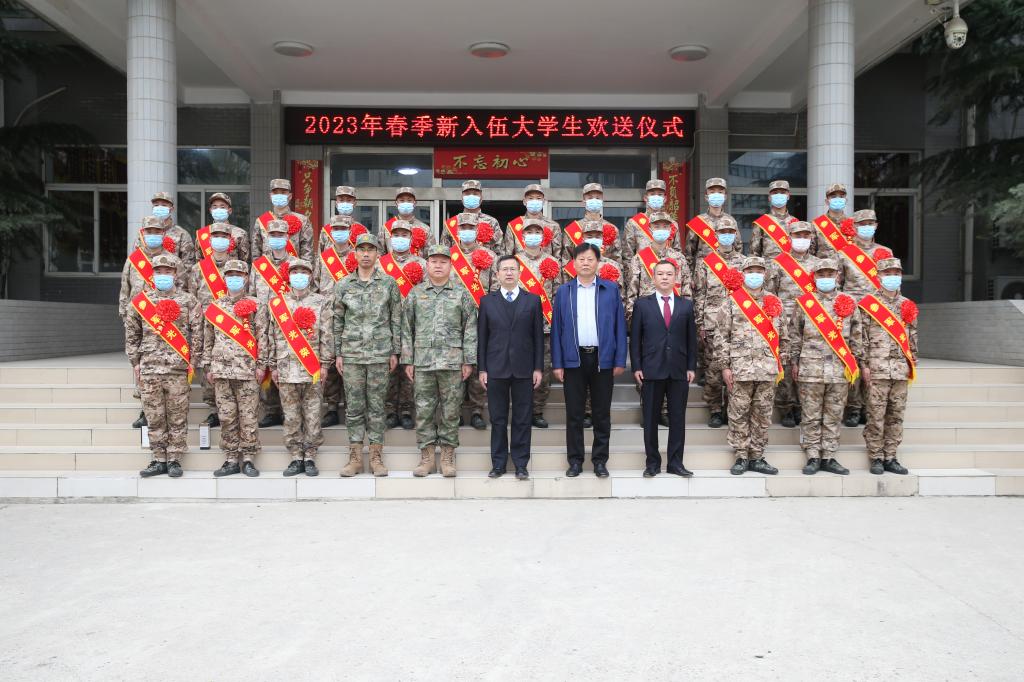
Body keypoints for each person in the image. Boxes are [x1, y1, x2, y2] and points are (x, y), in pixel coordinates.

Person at [551, 243, 627, 478]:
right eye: (581, 259)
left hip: (602, 359)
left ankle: (600, 461)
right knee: (574, 414)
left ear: (598, 263)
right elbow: (557, 329)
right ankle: (575, 461)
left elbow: (619, 326)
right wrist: (558, 363)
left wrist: (619, 359)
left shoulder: (610, 290)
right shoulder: (564, 291)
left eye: (590, 259)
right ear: (573, 263)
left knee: (601, 413)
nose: (585, 263)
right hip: (573, 359)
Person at [401, 245, 478, 477]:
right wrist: (408, 360)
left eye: (443, 262)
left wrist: (468, 360)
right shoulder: (415, 294)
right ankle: (426, 458)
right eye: (433, 261)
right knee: (423, 410)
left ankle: (447, 457)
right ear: (427, 265)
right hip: (423, 362)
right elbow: (406, 328)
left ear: (450, 265)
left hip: (452, 363)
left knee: (451, 411)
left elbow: (470, 329)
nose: (438, 265)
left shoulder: (461, 294)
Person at [125, 253, 201, 478]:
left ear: (175, 274)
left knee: (178, 416)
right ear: (152, 274)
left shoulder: (188, 301)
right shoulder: (141, 302)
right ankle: (159, 459)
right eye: (159, 272)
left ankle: (175, 459)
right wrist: (135, 362)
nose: (163, 275)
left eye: (168, 271)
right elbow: (132, 334)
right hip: (149, 368)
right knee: (154, 416)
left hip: (178, 369)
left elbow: (197, 334)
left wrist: (193, 362)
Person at [332, 233, 402, 477]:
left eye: (370, 249)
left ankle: (375, 457)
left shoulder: (389, 284)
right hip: (352, 355)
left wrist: (395, 350)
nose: (365, 254)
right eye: (361, 249)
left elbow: (396, 318)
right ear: (355, 254)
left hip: (379, 354)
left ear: (377, 254)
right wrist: (338, 353)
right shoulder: (343, 285)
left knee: (377, 407)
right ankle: (354, 458)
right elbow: (337, 320)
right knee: (353, 407)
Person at [715, 256, 790, 476]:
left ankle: (757, 456)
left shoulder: (774, 301)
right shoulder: (731, 302)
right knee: (738, 413)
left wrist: (781, 363)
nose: (754, 275)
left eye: (759, 271)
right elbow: (721, 336)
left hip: (767, 369)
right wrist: (725, 367)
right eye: (750, 271)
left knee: (762, 415)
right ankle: (741, 455)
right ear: (743, 273)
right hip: (740, 368)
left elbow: (784, 337)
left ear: (765, 274)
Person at [263, 258, 334, 477]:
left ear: (311, 276)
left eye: (304, 271)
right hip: (285, 368)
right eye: (295, 271)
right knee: (291, 415)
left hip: (312, 369)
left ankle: (310, 455)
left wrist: (325, 364)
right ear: (289, 275)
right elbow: (271, 336)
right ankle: (296, 456)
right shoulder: (277, 303)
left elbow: (326, 335)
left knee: (313, 413)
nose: (299, 275)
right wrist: (273, 366)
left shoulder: (320, 302)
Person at [789, 259, 859, 476]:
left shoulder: (848, 302)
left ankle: (828, 456)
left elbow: (856, 336)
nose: (826, 278)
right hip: (810, 369)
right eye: (821, 274)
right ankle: (812, 456)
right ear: (814, 277)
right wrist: (794, 362)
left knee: (834, 415)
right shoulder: (804, 303)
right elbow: (794, 335)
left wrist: (855, 363)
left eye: (830, 274)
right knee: (810, 415)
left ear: (838, 276)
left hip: (839, 370)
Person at [478, 255, 545, 480]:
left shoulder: (532, 301)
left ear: (519, 273)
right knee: (497, 419)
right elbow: (482, 338)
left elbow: (538, 338)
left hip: (524, 369)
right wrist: (482, 369)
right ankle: (498, 464)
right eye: (504, 269)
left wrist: (538, 368)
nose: (508, 273)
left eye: (513, 269)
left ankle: (520, 464)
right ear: (497, 274)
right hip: (495, 369)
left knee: (522, 419)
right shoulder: (487, 302)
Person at [119, 214, 189, 428]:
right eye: (149, 231)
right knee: (143, 364)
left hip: (170, 323)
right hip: (141, 320)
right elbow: (125, 290)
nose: (153, 235)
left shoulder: (174, 261)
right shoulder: (133, 260)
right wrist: (125, 314)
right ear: (143, 233)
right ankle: (145, 410)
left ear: (163, 234)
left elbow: (184, 290)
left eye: (157, 232)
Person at [629, 259, 697, 478]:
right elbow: (635, 339)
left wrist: (691, 366)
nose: (665, 277)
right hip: (651, 368)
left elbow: (691, 339)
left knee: (677, 418)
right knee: (650, 419)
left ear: (676, 277)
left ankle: (675, 463)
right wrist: (636, 366)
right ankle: (652, 463)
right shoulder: (642, 305)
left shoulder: (686, 305)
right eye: (660, 274)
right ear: (654, 277)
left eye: (669, 274)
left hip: (679, 369)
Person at [200, 259, 265, 477]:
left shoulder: (257, 305)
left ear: (246, 278)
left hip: (247, 370)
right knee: (227, 416)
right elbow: (208, 339)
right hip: (221, 370)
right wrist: (208, 366)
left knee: (249, 416)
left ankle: (248, 458)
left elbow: (263, 337)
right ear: (224, 278)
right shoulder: (215, 306)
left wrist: (261, 365)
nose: (234, 278)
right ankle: (230, 459)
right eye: (230, 275)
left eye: (239, 275)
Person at [855, 257, 918, 476]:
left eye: (896, 273)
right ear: (879, 276)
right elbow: (861, 337)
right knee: (875, 414)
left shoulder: (907, 304)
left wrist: (912, 362)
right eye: (887, 273)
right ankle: (876, 457)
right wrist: (864, 365)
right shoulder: (868, 304)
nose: (892, 277)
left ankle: (891, 456)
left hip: (900, 369)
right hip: (877, 368)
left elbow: (912, 336)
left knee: (896, 415)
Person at [837, 208, 894, 427]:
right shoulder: (844, 253)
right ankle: (853, 407)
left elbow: (893, 284)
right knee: (853, 358)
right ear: (854, 227)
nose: (867, 227)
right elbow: (838, 286)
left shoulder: (885, 252)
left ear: (876, 226)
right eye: (862, 224)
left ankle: (869, 407)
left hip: (878, 314)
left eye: (870, 223)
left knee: (874, 359)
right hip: (853, 313)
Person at [765, 221, 822, 428]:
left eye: (806, 235)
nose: (802, 239)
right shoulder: (777, 263)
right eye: (798, 235)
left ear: (811, 238)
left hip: (813, 321)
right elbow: (770, 294)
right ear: (789, 238)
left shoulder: (819, 264)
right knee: (787, 364)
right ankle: (787, 407)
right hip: (786, 320)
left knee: (808, 362)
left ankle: (802, 406)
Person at [691, 216, 746, 428]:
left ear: (736, 235)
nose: (727, 235)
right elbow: (700, 294)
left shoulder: (744, 262)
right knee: (713, 371)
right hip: (712, 322)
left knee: (736, 369)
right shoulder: (705, 262)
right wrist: (700, 323)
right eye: (723, 232)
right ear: (716, 235)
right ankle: (715, 409)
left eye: (730, 232)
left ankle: (732, 408)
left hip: (739, 323)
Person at [188, 221, 242, 427]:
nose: (220, 239)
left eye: (224, 236)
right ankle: (214, 409)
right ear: (209, 241)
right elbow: (192, 299)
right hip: (205, 325)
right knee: (208, 364)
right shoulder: (198, 269)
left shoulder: (237, 267)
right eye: (216, 236)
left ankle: (235, 407)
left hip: (232, 325)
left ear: (230, 241)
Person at [511, 219, 562, 427]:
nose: (533, 235)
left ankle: (537, 410)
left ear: (543, 236)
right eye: (529, 232)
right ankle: (520, 410)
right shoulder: (513, 262)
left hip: (545, 326)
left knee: (543, 369)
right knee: (517, 368)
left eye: (537, 232)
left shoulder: (553, 262)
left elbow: (558, 294)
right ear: (522, 236)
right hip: (518, 326)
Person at [449, 212, 497, 430]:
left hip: (480, 319)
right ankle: (457, 409)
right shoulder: (449, 255)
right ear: (457, 231)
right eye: (463, 227)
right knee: (455, 364)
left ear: (478, 231)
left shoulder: (489, 256)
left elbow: (495, 288)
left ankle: (477, 410)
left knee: (478, 364)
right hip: (452, 320)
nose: (467, 231)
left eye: (471, 227)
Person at [381, 220, 427, 429]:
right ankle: (390, 410)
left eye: (404, 235)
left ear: (411, 238)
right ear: (390, 238)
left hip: (413, 322)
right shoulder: (380, 264)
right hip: (386, 322)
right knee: (389, 367)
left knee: (409, 365)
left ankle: (407, 410)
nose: (400, 238)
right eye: (396, 235)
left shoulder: (422, 264)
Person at [315, 214, 359, 428]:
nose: (339, 232)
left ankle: (352, 407)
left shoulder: (358, 256)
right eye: (336, 229)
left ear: (350, 232)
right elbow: (315, 285)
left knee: (350, 363)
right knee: (330, 362)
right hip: (328, 317)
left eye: (343, 229)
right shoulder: (323, 258)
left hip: (352, 317)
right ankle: (332, 407)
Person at [249, 219, 292, 428]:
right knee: (266, 364)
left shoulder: (295, 265)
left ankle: (288, 410)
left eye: (280, 235)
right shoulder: (259, 266)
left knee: (286, 364)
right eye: (272, 235)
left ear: (287, 237)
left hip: (287, 324)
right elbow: (251, 294)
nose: (276, 238)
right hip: (263, 322)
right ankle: (271, 409)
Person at [686, 178, 740, 279]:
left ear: (725, 196)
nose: (716, 195)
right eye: (712, 192)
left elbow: (738, 248)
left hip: (726, 273)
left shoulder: (731, 221)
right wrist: (690, 277)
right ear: (706, 197)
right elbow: (689, 253)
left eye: (720, 192)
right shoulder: (698, 221)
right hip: (702, 275)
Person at [250, 178, 313, 261]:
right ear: (270, 196)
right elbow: (256, 253)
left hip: (293, 267)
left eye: (283, 192)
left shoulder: (302, 220)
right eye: (275, 193)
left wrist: (303, 268)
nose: (279, 195)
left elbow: (307, 253)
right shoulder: (261, 221)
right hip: (268, 268)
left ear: (290, 196)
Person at [622, 179, 683, 264]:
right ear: (645, 198)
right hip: (641, 270)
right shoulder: (634, 223)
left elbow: (677, 253)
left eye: (660, 194)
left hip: (666, 271)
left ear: (665, 198)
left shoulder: (672, 224)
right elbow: (627, 256)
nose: (656, 197)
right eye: (652, 194)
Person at [130, 191, 196, 265]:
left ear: (171, 209)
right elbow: (135, 260)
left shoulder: (182, 234)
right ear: (153, 208)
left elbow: (188, 265)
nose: (159, 208)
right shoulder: (143, 234)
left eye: (164, 205)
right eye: (156, 205)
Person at [561, 183, 621, 262]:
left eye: (598, 198)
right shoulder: (572, 229)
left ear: (602, 201)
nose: (594, 200)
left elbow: (617, 260)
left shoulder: (612, 229)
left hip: (605, 269)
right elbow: (566, 261)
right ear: (583, 201)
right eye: (590, 198)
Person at [442, 180, 503, 252]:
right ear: (462, 198)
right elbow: (444, 252)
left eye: (475, 194)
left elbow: (500, 252)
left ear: (481, 198)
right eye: (467, 194)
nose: (471, 196)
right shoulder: (451, 223)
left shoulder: (492, 222)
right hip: (457, 259)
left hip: (485, 259)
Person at [503, 184, 561, 257]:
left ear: (543, 201)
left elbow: (557, 256)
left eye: (538, 198)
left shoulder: (553, 226)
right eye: (530, 198)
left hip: (546, 264)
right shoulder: (513, 225)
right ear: (524, 201)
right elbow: (508, 255)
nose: (534, 201)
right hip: (520, 264)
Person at [749, 180, 798, 260]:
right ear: (769, 197)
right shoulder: (762, 222)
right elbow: (754, 253)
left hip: (790, 266)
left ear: (788, 196)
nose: (779, 195)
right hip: (768, 267)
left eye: (783, 192)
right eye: (775, 193)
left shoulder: (796, 222)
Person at [195, 192, 250, 263]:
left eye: (222, 207)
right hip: (209, 270)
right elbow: (199, 262)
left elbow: (244, 262)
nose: (218, 209)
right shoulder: (202, 234)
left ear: (230, 210)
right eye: (215, 207)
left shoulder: (240, 234)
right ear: (210, 210)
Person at [383, 187, 433, 252]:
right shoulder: (386, 228)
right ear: (396, 204)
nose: (405, 203)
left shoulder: (425, 229)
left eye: (409, 200)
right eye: (402, 200)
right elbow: (380, 253)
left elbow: (430, 254)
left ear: (414, 203)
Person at [811, 182, 851, 260]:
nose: (838, 199)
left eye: (841, 196)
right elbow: (810, 253)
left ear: (846, 200)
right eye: (833, 196)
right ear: (827, 201)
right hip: (824, 267)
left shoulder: (853, 224)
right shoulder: (815, 225)